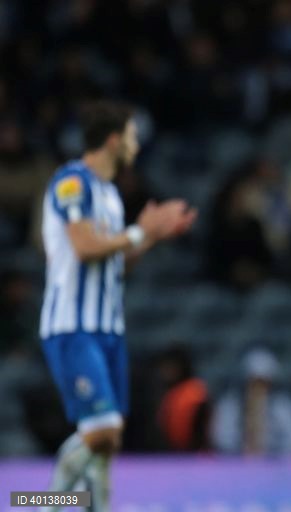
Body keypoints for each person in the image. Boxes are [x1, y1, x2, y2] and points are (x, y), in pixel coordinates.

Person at [39, 100, 197, 511]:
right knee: (103, 430)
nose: (136, 146)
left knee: (107, 442)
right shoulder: (71, 182)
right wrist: (137, 233)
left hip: (107, 329)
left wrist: (150, 237)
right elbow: (85, 246)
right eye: (130, 137)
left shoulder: (109, 194)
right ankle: (40, 502)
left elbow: (115, 261)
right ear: (112, 140)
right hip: (72, 325)